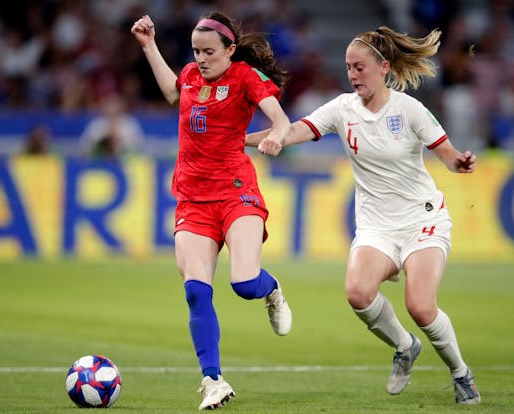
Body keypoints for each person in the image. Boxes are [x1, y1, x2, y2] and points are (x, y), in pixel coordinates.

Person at [247, 26, 481, 405]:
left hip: (421, 219)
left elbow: (448, 154)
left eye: (360, 67)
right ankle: (405, 347)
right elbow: (293, 131)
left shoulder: (409, 110)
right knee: (357, 293)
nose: (353, 75)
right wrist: (248, 139)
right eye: (348, 68)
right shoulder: (342, 109)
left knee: (420, 306)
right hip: (377, 225)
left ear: (384, 67)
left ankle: (460, 372)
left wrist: (462, 161)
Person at [131, 11, 293, 410]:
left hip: (237, 194)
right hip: (192, 198)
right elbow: (172, 93)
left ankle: (271, 290)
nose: (201, 59)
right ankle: (213, 380)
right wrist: (149, 45)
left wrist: (277, 136)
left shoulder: (244, 78)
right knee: (195, 291)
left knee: (243, 283)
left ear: (230, 50)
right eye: (195, 51)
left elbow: (280, 118)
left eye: (208, 52)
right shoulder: (189, 75)